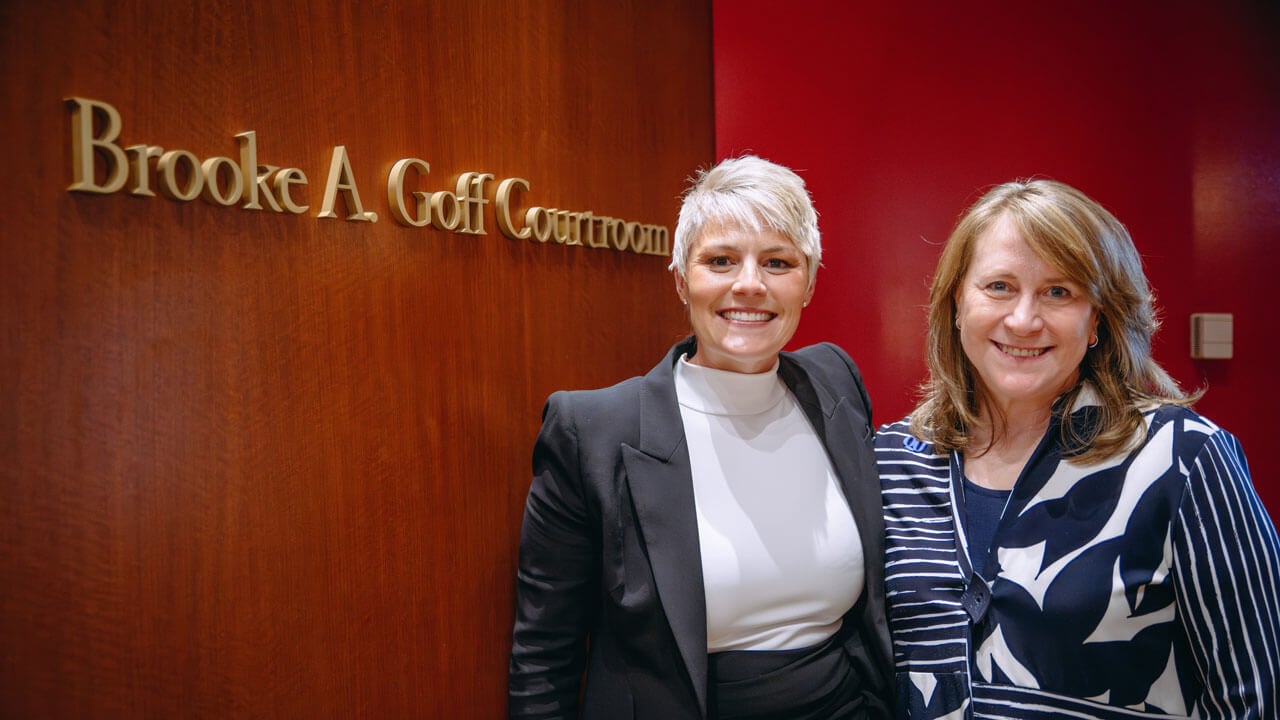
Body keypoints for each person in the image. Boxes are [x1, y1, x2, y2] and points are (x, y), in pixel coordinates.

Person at [876, 179, 1280, 719]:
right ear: (957, 304)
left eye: (1058, 292)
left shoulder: (1183, 458)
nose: (1023, 320)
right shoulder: (891, 459)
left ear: (1098, 319)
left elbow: (1255, 693)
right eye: (999, 286)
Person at [508, 155, 893, 719]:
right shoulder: (592, 430)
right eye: (720, 260)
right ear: (681, 280)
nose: (750, 284)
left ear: (808, 283)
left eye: (778, 262)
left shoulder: (836, 380)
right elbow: (544, 654)